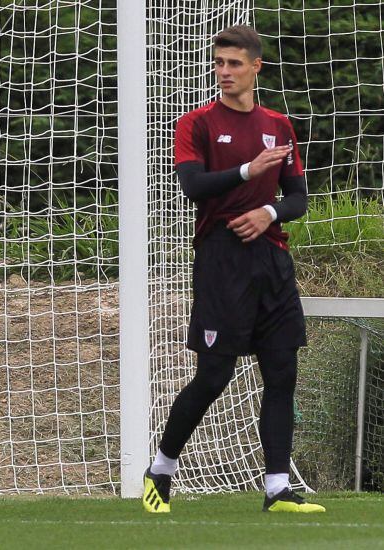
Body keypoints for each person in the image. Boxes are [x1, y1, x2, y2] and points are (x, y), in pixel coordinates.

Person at [142, 25, 325, 514]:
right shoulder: (197, 123)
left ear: (255, 67)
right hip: (221, 259)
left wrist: (269, 211)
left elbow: (298, 198)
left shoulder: (278, 125)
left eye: (234, 63)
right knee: (214, 375)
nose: (224, 72)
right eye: (219, 63)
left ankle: (277, 488)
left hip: (272, 258)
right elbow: (193, 187)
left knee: (282, 371)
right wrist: (248, 171)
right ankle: (161, 469)